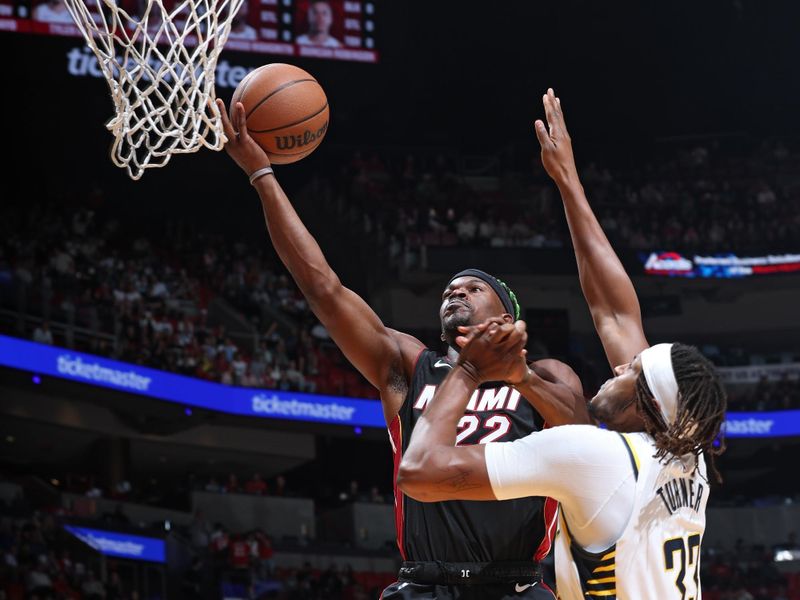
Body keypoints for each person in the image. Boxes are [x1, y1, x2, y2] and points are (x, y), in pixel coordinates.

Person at [216, 98, 590, 599]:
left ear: (506, 317)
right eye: (448, 291)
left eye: (473, 289)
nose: (454, 292)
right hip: (424, 583)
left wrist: (518, 376)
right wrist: (262, 174)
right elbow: (323, 289)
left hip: (517, 585)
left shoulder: (545, 373)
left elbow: (585, 439)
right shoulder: (409, 367)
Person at [397, 89, 727, 600]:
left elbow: (419, 474)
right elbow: (615, 313)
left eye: (630, 372)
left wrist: (467, 370)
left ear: (647, 406)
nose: (617, 367)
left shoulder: (595, 456)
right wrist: (568, 182)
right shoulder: (687, 452)